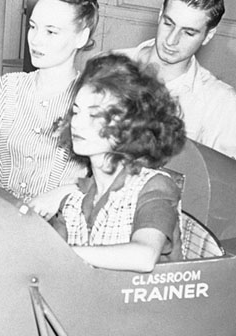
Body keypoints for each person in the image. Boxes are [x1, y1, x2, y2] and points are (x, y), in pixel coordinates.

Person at [118, 0, 236, 176]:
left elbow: (231, 182)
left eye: (188, 33)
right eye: (168, 23)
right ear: (160, 13)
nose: (171, 40)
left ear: (208, 35)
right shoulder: (110, 66)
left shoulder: (220, 101)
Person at [0, 0, 98, 213]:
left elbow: (111, 180)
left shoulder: (97, 102)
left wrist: (65, 193)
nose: (36, 40)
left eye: (51, 31)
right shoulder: (2, 90)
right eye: (33, 27)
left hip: (62, 231)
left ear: (81, 37)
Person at [52, 53, 186, 272]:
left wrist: (61, 253)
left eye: (95, 115)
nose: (77, 123)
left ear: (131, 124)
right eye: (76, 111)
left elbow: (144, 256)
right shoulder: (74, 201)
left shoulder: (155, 186)